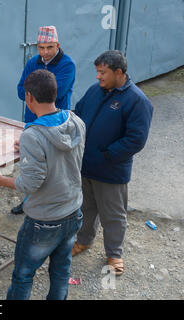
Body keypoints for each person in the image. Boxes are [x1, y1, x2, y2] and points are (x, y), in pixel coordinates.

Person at [0, 70, 85, 300]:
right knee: (60, 271)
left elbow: (30, 182)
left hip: (45, 221)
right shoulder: (76, 121)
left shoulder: (34, 135)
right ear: (54, 94)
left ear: (28, 97)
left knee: (23, 275)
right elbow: (64, 156)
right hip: (73, 211)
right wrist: (30, 149)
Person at [73, 50, 154, 276]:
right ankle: (83, 240)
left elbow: (136, 139)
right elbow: (77, 115)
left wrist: (107, 155)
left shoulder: (137, 101)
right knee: (85, 208)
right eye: (97, 72)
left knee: (113, 215)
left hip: (111, 171)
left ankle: (114, 253)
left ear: (119, 73)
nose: (98, 77)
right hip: (85, 166)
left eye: (103, 72)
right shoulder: (94, 91)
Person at [12, 25, 76, 215]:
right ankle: (28, 201)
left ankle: (53, 204)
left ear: (57, 45)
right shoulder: (33, 62)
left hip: (55, 123)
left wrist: (33, 93)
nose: (45, 52)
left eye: (49, 47)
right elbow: (19, 90)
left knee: (54, 165)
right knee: (30, 163)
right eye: (41, 47)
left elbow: (56, 94)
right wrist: (39, 96)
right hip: (32, 122)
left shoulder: (67, 65)